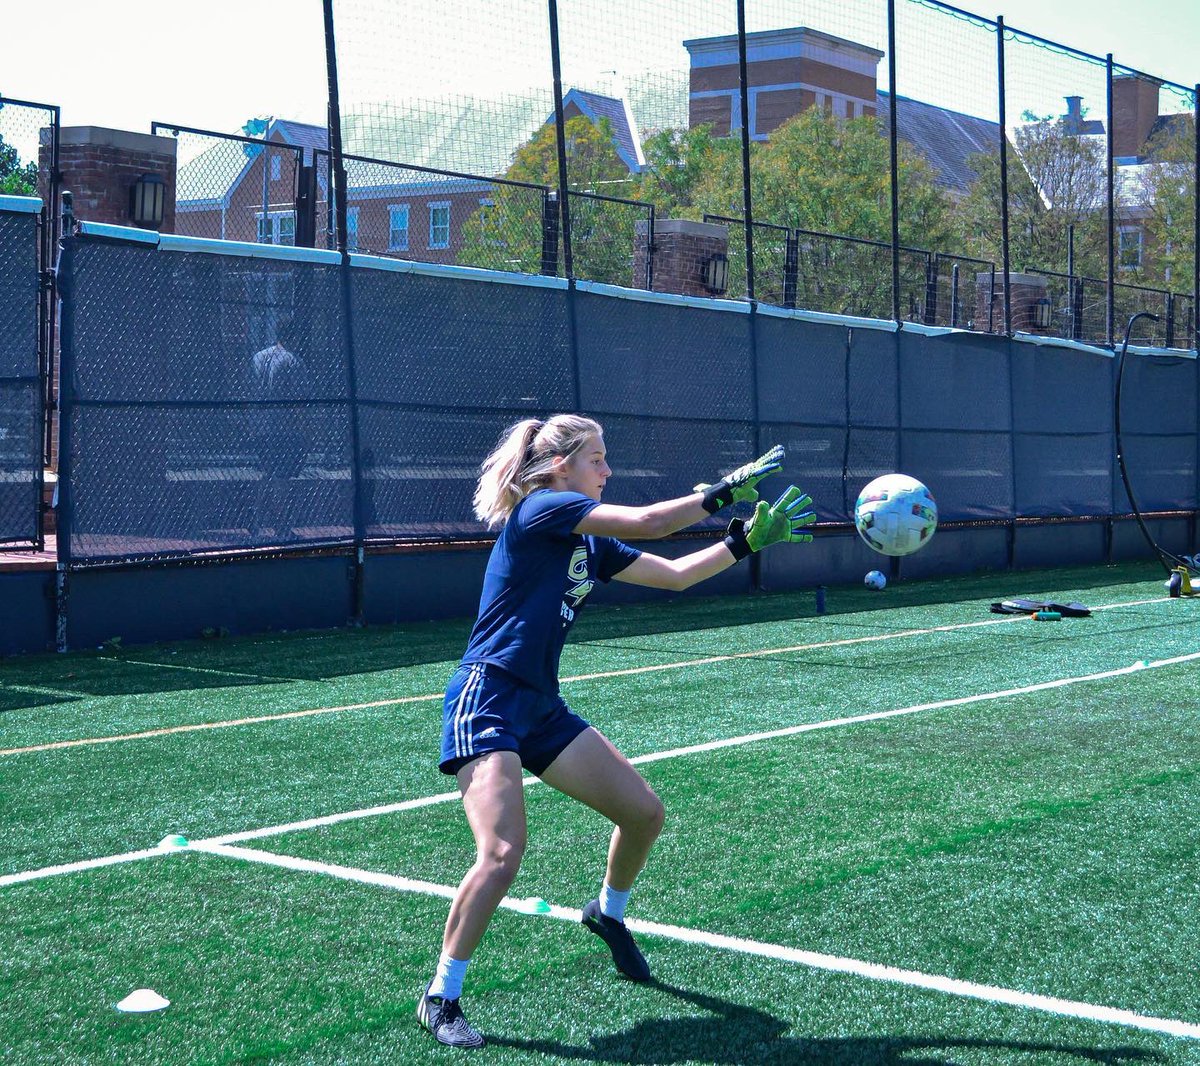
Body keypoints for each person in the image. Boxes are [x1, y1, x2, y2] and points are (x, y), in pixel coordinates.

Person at [417, 414, 815, 1049]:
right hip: (487, 698)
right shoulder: (543, 509)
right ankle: (442, 995)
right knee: (500, 854)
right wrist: (724, 491)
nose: (607, 471)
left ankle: (607, 914)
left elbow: (674, 574)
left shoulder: (588, 542)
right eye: (597, 460)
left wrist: (745, 544)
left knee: (644, 813)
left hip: (541, 707)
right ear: (560, 469)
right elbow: (653, 521)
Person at [248, 327, 307, 543]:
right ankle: (281, 525)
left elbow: (250, 389)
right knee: (281, 477)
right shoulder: (293, 361)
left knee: (268, 471)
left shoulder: (258, 357)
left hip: (260, 425)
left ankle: (255, 516)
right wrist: (304, 429)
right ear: (294, 336)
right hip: (284, 428)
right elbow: (298, 400)